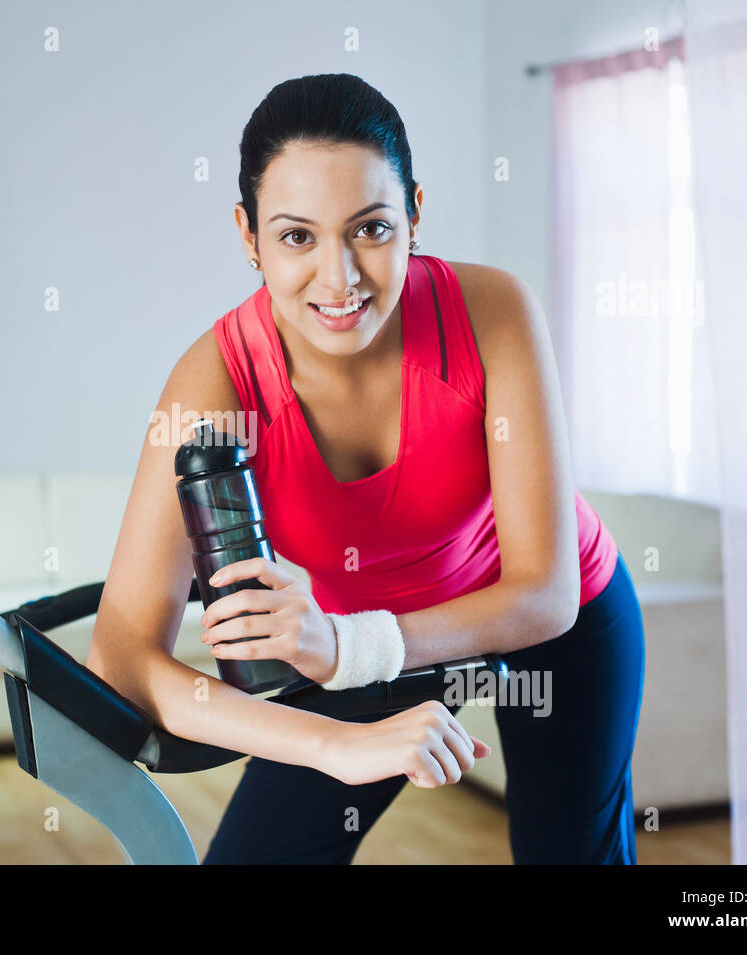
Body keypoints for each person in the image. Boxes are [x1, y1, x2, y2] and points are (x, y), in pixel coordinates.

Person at [87, 73, 644, 865]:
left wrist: (349, 650)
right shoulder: (216, 383)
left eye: (371, 229)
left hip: (546, 627)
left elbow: (546, 592)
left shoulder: (494, 313)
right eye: (296, 236)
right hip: (352, 647)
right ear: (248, 235)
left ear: (415, 212)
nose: (340, 277)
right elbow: (122, 653)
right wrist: (333, 743)